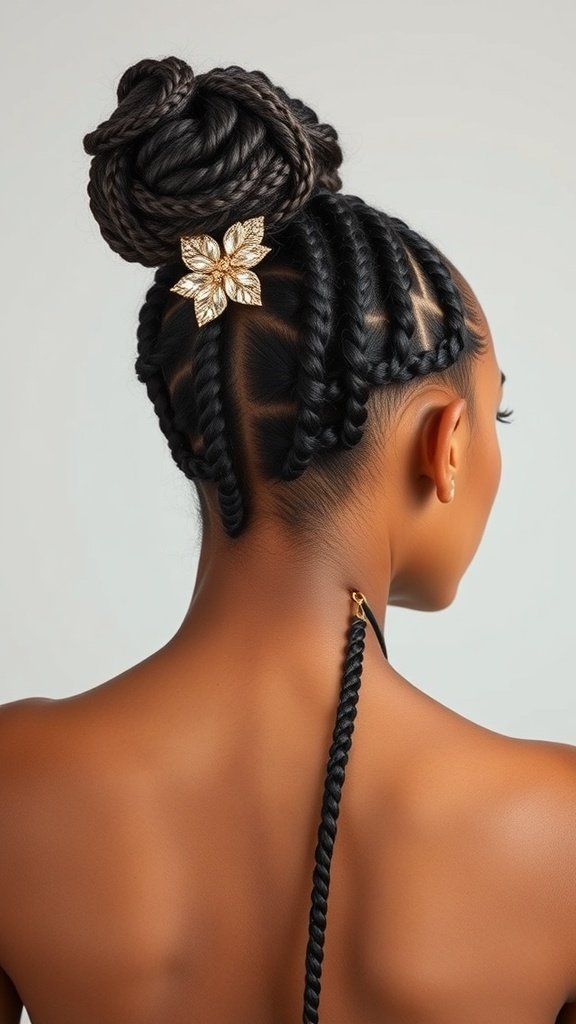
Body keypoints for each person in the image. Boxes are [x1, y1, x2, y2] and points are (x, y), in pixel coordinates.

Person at [0, 54, 575, 1024]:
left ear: (198, 429)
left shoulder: (15, 782)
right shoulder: (556, 828)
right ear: (446, 445)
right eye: (497, 416)